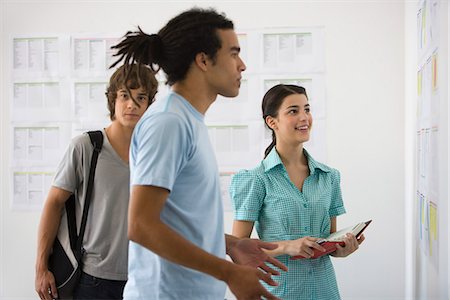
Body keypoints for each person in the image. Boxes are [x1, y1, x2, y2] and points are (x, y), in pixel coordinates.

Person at [110, 7, 287, 300]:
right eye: (233, 53)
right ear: (203, 60)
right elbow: (141, 225)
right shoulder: (169, 122)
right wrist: (228, 272)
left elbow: (181, 221)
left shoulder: (188, 120)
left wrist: (231, 245)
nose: (241, 65)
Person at [229, 84, 366, 300]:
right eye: (293, 111)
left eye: (307, 109)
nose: (304, 117)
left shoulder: (329, 177)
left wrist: (341, 249)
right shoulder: (255, 179)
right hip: (281, 292)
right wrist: (287, 246)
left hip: (325, 290)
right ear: (271, 122)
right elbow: (238, 250)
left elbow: (328, 238)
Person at [35, 64, 158, 300]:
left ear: (149, 104)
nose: (132, 104)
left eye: (141, 97)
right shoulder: (86, 147)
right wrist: (41, 267)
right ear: (113, 99)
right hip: (93, 281)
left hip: (144, 279)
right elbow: (54, 203)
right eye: (125, 96)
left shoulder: (155, 154)